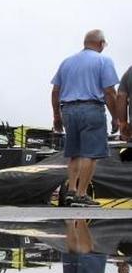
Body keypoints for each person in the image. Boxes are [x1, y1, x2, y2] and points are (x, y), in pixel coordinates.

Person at [51, 29, 122, 207]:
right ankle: (81, 195)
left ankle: (71, 191)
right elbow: (109, 92)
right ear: (101, 43)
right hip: (91, 109)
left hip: (68, 110)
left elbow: (55, 91)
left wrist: (57, 116)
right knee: (90, 154)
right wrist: (116, 117)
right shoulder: (103, 61)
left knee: (74, 153)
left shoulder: (67, 62)